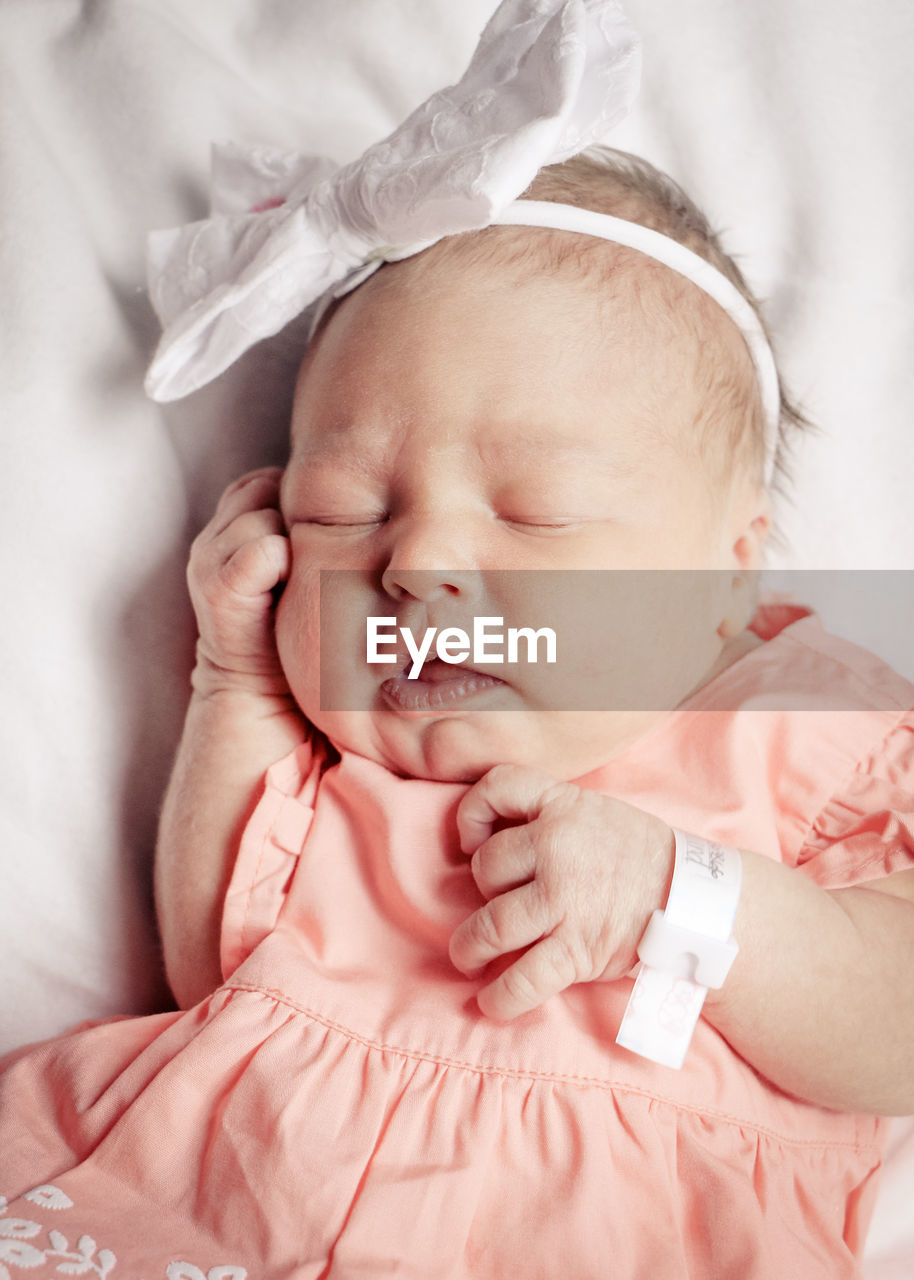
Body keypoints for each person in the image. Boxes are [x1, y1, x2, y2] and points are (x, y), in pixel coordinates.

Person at [1, 2, 912, 1276]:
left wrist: (684, 897)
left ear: (727, 574)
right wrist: (234, 679)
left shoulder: (801, 735)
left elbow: (897, 1025)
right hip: (203, 1216)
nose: (415, 561)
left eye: (534, 510)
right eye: (342, 510)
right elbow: (215, 964)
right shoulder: (341, 773)